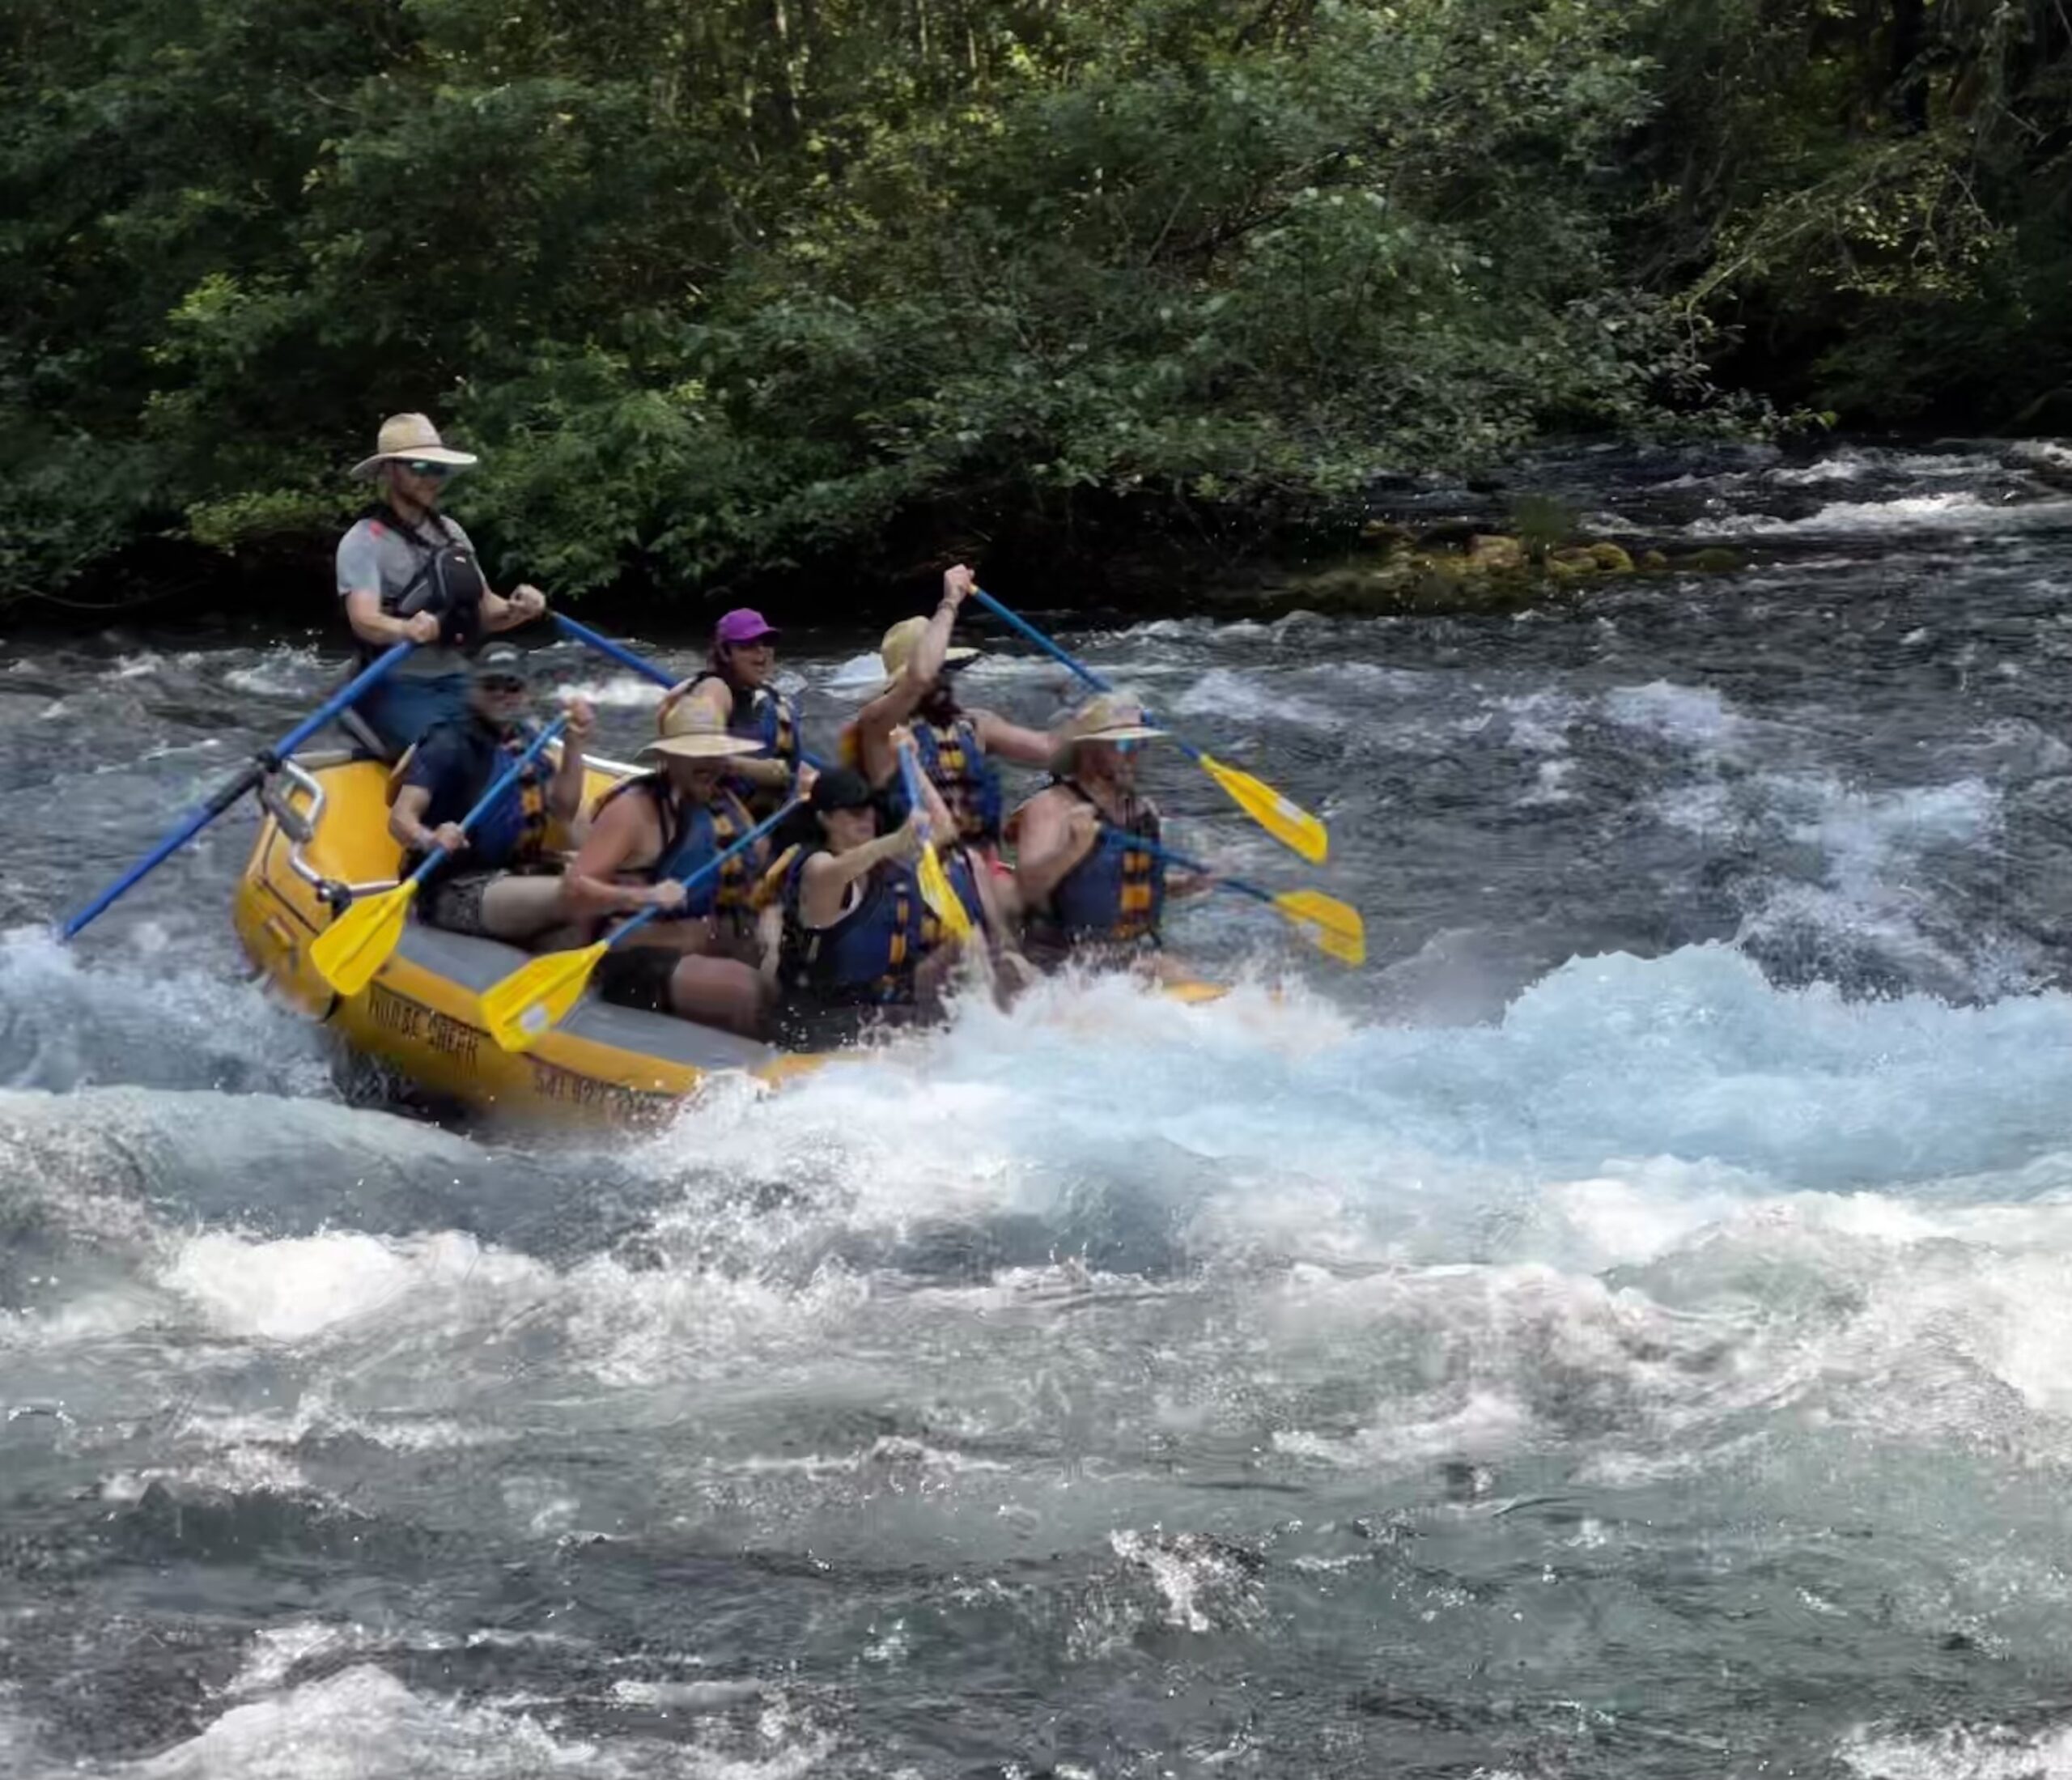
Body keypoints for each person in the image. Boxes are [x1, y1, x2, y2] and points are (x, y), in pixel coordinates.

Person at [337, 413, 549, 755]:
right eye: (419, 468)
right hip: (392, 683)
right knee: (449, 750)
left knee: (525, 740)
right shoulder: (363, 540)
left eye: (437, 468)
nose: (432, 478)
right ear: (390, 471)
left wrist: (520, 610)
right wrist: (407, 628)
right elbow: (365, 620)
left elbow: (489, 612)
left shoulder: (451, 533)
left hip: (455, 675)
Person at [557, 703, 771, 1038]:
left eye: (713, 754)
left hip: (708, 942)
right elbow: (574, 889)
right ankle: (754, 1073)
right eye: (693, 754)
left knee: (780, 980)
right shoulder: (633, 810)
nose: (706, 764)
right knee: (743, 989)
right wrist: (643, 896)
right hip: (631, 958)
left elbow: (758, 862)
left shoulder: (725, 801)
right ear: (668, 758)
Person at [386, 643, 594, 942]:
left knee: (602, 898)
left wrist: (575, 744)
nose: (501, 694)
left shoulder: (527, 740)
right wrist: (429, 838)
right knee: (583, 894)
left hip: (516, 872)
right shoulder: (448, 743)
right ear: (472, 688)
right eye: (490, 684)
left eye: (511, 686)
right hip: (454, 887)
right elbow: (400, 818)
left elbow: (564, 809)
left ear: (526, 692)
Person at [848, 565, 1059, 858]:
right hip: (917, 874)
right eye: (939, 670)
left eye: (948, 670)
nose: (945, 680)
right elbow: (918, 677)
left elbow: (1051, 749)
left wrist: (1108, 725)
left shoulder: (975, 724)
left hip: (976, 868)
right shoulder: (877, 729)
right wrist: (949, 603)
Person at [769, 767, 982, 1049]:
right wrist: (895, 841)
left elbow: (944, 830)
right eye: (853, 812)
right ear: (825, 819)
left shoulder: (884, 862)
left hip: (882, 1017)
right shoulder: (817, 867)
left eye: (869, 809)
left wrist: (912, 762)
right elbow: (834, 872)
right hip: (821, 1024)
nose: (866, 818)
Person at [1011, 693, 1215, 974]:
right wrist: (1072, 849)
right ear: (1088, 750)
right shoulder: (1050, 808)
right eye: (1121, 744)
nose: (1132, 753)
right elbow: (1025, 891)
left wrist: (1187, 884)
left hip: (1137, 957)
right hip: (1067, 966)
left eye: (1138, 743)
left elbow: (1121, 883)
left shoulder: (1144, 810)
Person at [656, 608, 805, 816]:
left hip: (772, 819)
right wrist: (733, 765)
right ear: (725, 652)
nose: (761, 654)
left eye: (766, 644)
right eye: (748, 646)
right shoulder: (713, 688)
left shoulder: (773, 700)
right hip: (721, 825)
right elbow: (693, 739)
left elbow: (789, 767)